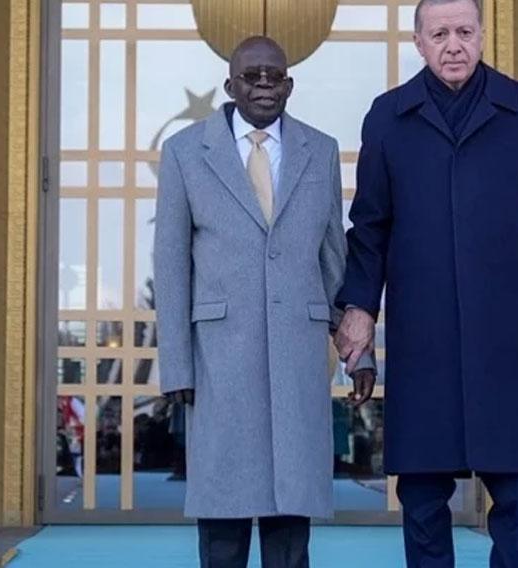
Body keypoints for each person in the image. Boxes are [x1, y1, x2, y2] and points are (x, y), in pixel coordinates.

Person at [334, 0, 518, 566]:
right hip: (424, 328)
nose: (453, 45)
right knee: (421, 490)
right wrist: (359, 307)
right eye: (439, 34)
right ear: (418, 43)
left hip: (504, 324)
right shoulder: (388, 117)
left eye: (464, 31)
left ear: (483, 36)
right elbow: (370, 225)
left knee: (517, 487)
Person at [154, 36, 376, 568]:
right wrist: (176, 366)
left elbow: (333, 258)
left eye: (273, 76)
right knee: (223, 522)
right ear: (229, 85)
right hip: (219, 362)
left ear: (289, 85)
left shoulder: (319, 150)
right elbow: (171, 264)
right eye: (251, 76)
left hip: (298, 358)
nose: (263, 85)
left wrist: (358, 353)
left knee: (290, 523)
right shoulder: (185, 151)